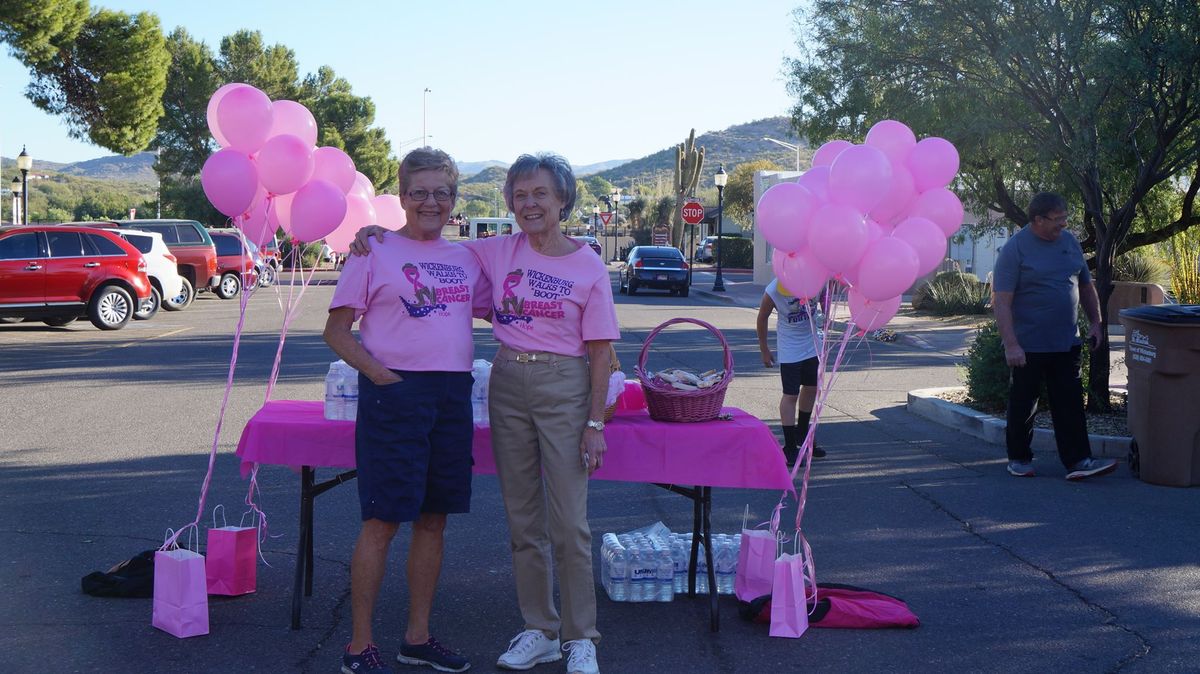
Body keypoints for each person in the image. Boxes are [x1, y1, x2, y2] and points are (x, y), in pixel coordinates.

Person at [354, 153, 618, 674]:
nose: (530, 204)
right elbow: (425, 244)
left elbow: (601, 354)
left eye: (540, 194)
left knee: (570, 522)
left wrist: (594, 423)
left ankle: (580, 635)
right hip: (507, 380)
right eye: (520, 196)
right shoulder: (495, 251)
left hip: (564, 383)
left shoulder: (588, 263)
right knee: (523, 520)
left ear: (562, 199)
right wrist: (373, 231)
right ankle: (539, 629)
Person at [325, 147, 490, 674]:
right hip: (395, 394)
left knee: (434, 520)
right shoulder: (372, 251)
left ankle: (416, 638)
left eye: (442, 192)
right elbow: (336, 332)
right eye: (419, 192)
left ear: (454, 199)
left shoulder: (467, 258)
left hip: (451, 394)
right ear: (401, 197)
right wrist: (380, 377)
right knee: (381, 522)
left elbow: (509, 303)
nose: (431, 202)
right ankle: (359, 647)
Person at [992, 191, 1117, 481]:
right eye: (1057, 219)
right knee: (1024, 402)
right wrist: (1011, 344)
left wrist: (1096, 323)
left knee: (1070, 402)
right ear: (1037, 219)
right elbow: (1002, 301)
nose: (1063, 224)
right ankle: (1019, 458)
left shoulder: (1070, 243)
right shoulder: (1015, 249)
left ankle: (1078, 461)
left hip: (1066, 341)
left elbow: (1086, 286)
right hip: (1028, 344)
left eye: (1065, 218)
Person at [756, 279, 825, 465]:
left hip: (812, 344)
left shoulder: (818, 278)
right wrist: (764, 349)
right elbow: (762, 316)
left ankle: (802, 434)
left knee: (811, 388)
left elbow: (825, 299)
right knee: (790, 395)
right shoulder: (774, 288)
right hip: (790, 348)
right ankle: (789, 446)